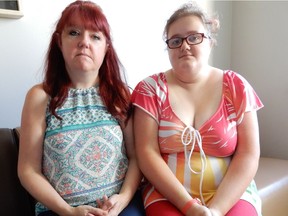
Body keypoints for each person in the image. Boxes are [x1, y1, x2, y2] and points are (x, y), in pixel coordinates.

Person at [132, 2, 263, 216]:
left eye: (194, 37)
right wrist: (189, 207)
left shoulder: (237, 86)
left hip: (231, 194)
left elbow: (249, 154)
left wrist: (217, 210)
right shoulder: (150, 89)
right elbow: (147, 153)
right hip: (167, 195)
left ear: (210, 42)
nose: (184, 46)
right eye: (176, 41)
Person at [17, 1, 144, 216]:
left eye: (95, 36)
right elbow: (28, 170)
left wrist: (121, 201)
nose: (84, 42)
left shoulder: (120, 94)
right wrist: (68, 211)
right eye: (74, 32)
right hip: (58, 211)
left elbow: (136, 157)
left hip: (122, 208)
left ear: (106, 47)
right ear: (59, 42)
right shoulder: (39, 97)